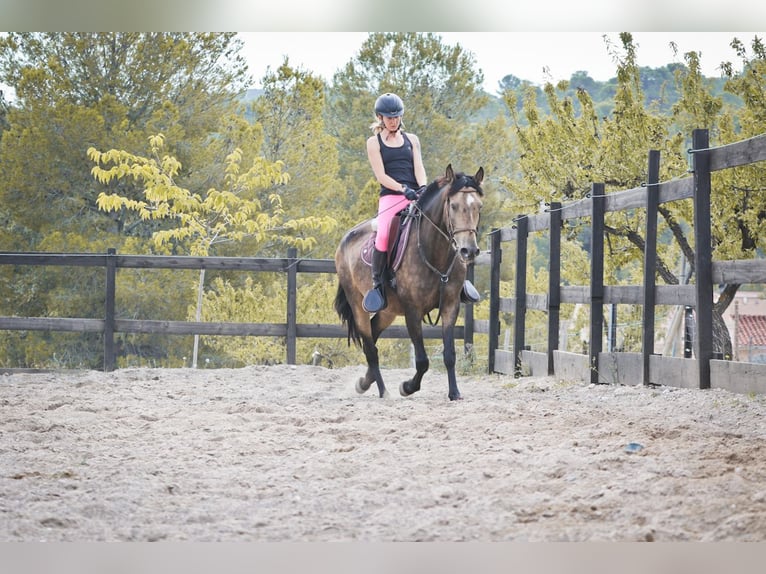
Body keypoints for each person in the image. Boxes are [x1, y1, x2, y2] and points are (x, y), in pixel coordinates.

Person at [363, 92, 479, 313]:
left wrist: (422, 189)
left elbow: (419, 168)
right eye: (389, 117)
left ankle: (460, 280)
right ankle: (378, 285)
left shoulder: (412, 139)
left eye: (396, 117)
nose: (393, 121)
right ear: (380, 117)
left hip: (416, 194)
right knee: (384, 231)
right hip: (391, 196)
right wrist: (401, 189)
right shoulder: (373, 143)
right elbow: (381, 175)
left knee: (444, 225)